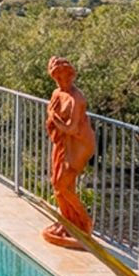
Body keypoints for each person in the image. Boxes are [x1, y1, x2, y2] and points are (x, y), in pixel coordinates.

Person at [43, 56, 95, 248]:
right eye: (57, 77)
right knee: (57, 184)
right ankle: (67, 222)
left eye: (64, 76)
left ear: (71, 75)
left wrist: (53, 118)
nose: (61, 81)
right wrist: (53, 118)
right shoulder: (57, 92)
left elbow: (72, 128)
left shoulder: (77, 99)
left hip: (78, 144)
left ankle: (84, 223)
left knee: (63, 186)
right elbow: (54, 117)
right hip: (63, 144)